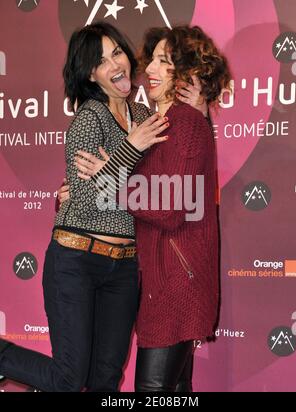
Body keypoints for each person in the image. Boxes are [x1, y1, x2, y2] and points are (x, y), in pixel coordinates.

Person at [0, 22, 171, 392]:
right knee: (70, 377)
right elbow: (88, 197)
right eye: (101, 60)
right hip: (76, 262)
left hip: (124, 269)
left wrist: (112, 170)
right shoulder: (88, 119)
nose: (114, 64)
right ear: (91, 74)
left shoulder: (144, 118)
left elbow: (161, 190)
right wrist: (131, 150)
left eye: (117, 53)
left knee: (106, 380)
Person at [61, 25, 232, 391]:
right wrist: (83, 187)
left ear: (186, 73)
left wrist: (105, 184)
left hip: (175, 286)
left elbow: (170, 206)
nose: (149, 69)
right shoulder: (159, 122)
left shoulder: (185, 122)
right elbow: (143, 185)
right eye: (151, 59)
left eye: (163, 61)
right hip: (163, 282)